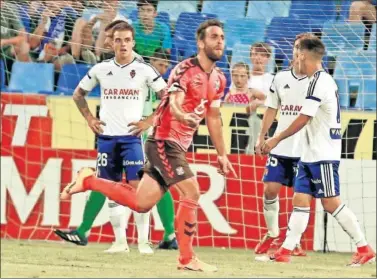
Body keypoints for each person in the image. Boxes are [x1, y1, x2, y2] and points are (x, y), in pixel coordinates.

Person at [61, 19, 236, 272]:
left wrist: (222, 154)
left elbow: (213, 117)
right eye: (214, 37)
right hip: (165, 141)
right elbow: (172, 100)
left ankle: (89, 180)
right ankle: (187, 258)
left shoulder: (219, 78)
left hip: (172, 143)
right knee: (192, 193)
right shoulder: (185, 69)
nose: (219, 41)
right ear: (200, 43)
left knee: (141, 203)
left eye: (222, 37)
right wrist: (179, 115)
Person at [257, 36, 375, 265]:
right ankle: (285, 251)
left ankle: (364, 247)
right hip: (309, 155)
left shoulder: (321, 82)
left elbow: (303, 118)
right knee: (300, 200)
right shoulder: (315, 79)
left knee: (331, 203)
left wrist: (275, 139)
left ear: (301, 55)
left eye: (296, 53)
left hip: (324, 155)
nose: (294, 58)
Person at [54, 22, 167, 255]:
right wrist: (89, 118)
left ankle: (144, 243)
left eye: (127, 40)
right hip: (106, 138)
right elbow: (78, 95)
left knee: (138, 190)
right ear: (112, 42)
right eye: (118, 40)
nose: (123, 44)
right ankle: (120, 243)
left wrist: (149, 121)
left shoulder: (144, 69)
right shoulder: (101, 68)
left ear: (133, 43)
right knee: (110, 189)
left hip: (132, 139)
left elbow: (166, 97)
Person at [254, 33, 316, 257]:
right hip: (279, 145)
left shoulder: (317, 80)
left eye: (304, 48)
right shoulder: (280, 78)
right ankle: (272, 233)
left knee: (300, 197)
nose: (299, 52)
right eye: (297, 47)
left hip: (305, 148)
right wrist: (262, 137)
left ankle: (293, 240)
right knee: (270, 189)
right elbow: (271, 108)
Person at [143, 49, 177, 250]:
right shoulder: (141, 75)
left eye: (165, 66)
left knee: (158, 184)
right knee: (156, 183)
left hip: (152, 139)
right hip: (140, 137)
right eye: (159, 64)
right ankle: (169, 233)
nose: (162, 69)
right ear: (151, 61)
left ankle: (169, 233)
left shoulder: (164, 87)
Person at [244, 42, 274, 154]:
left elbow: (275, 102)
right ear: (250, 56)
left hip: (265, 123)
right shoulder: (242, 76)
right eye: (255, 54)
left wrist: (260, 100)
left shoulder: (272, 79)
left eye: (262, 55)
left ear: (268, 59)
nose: (258, 58)